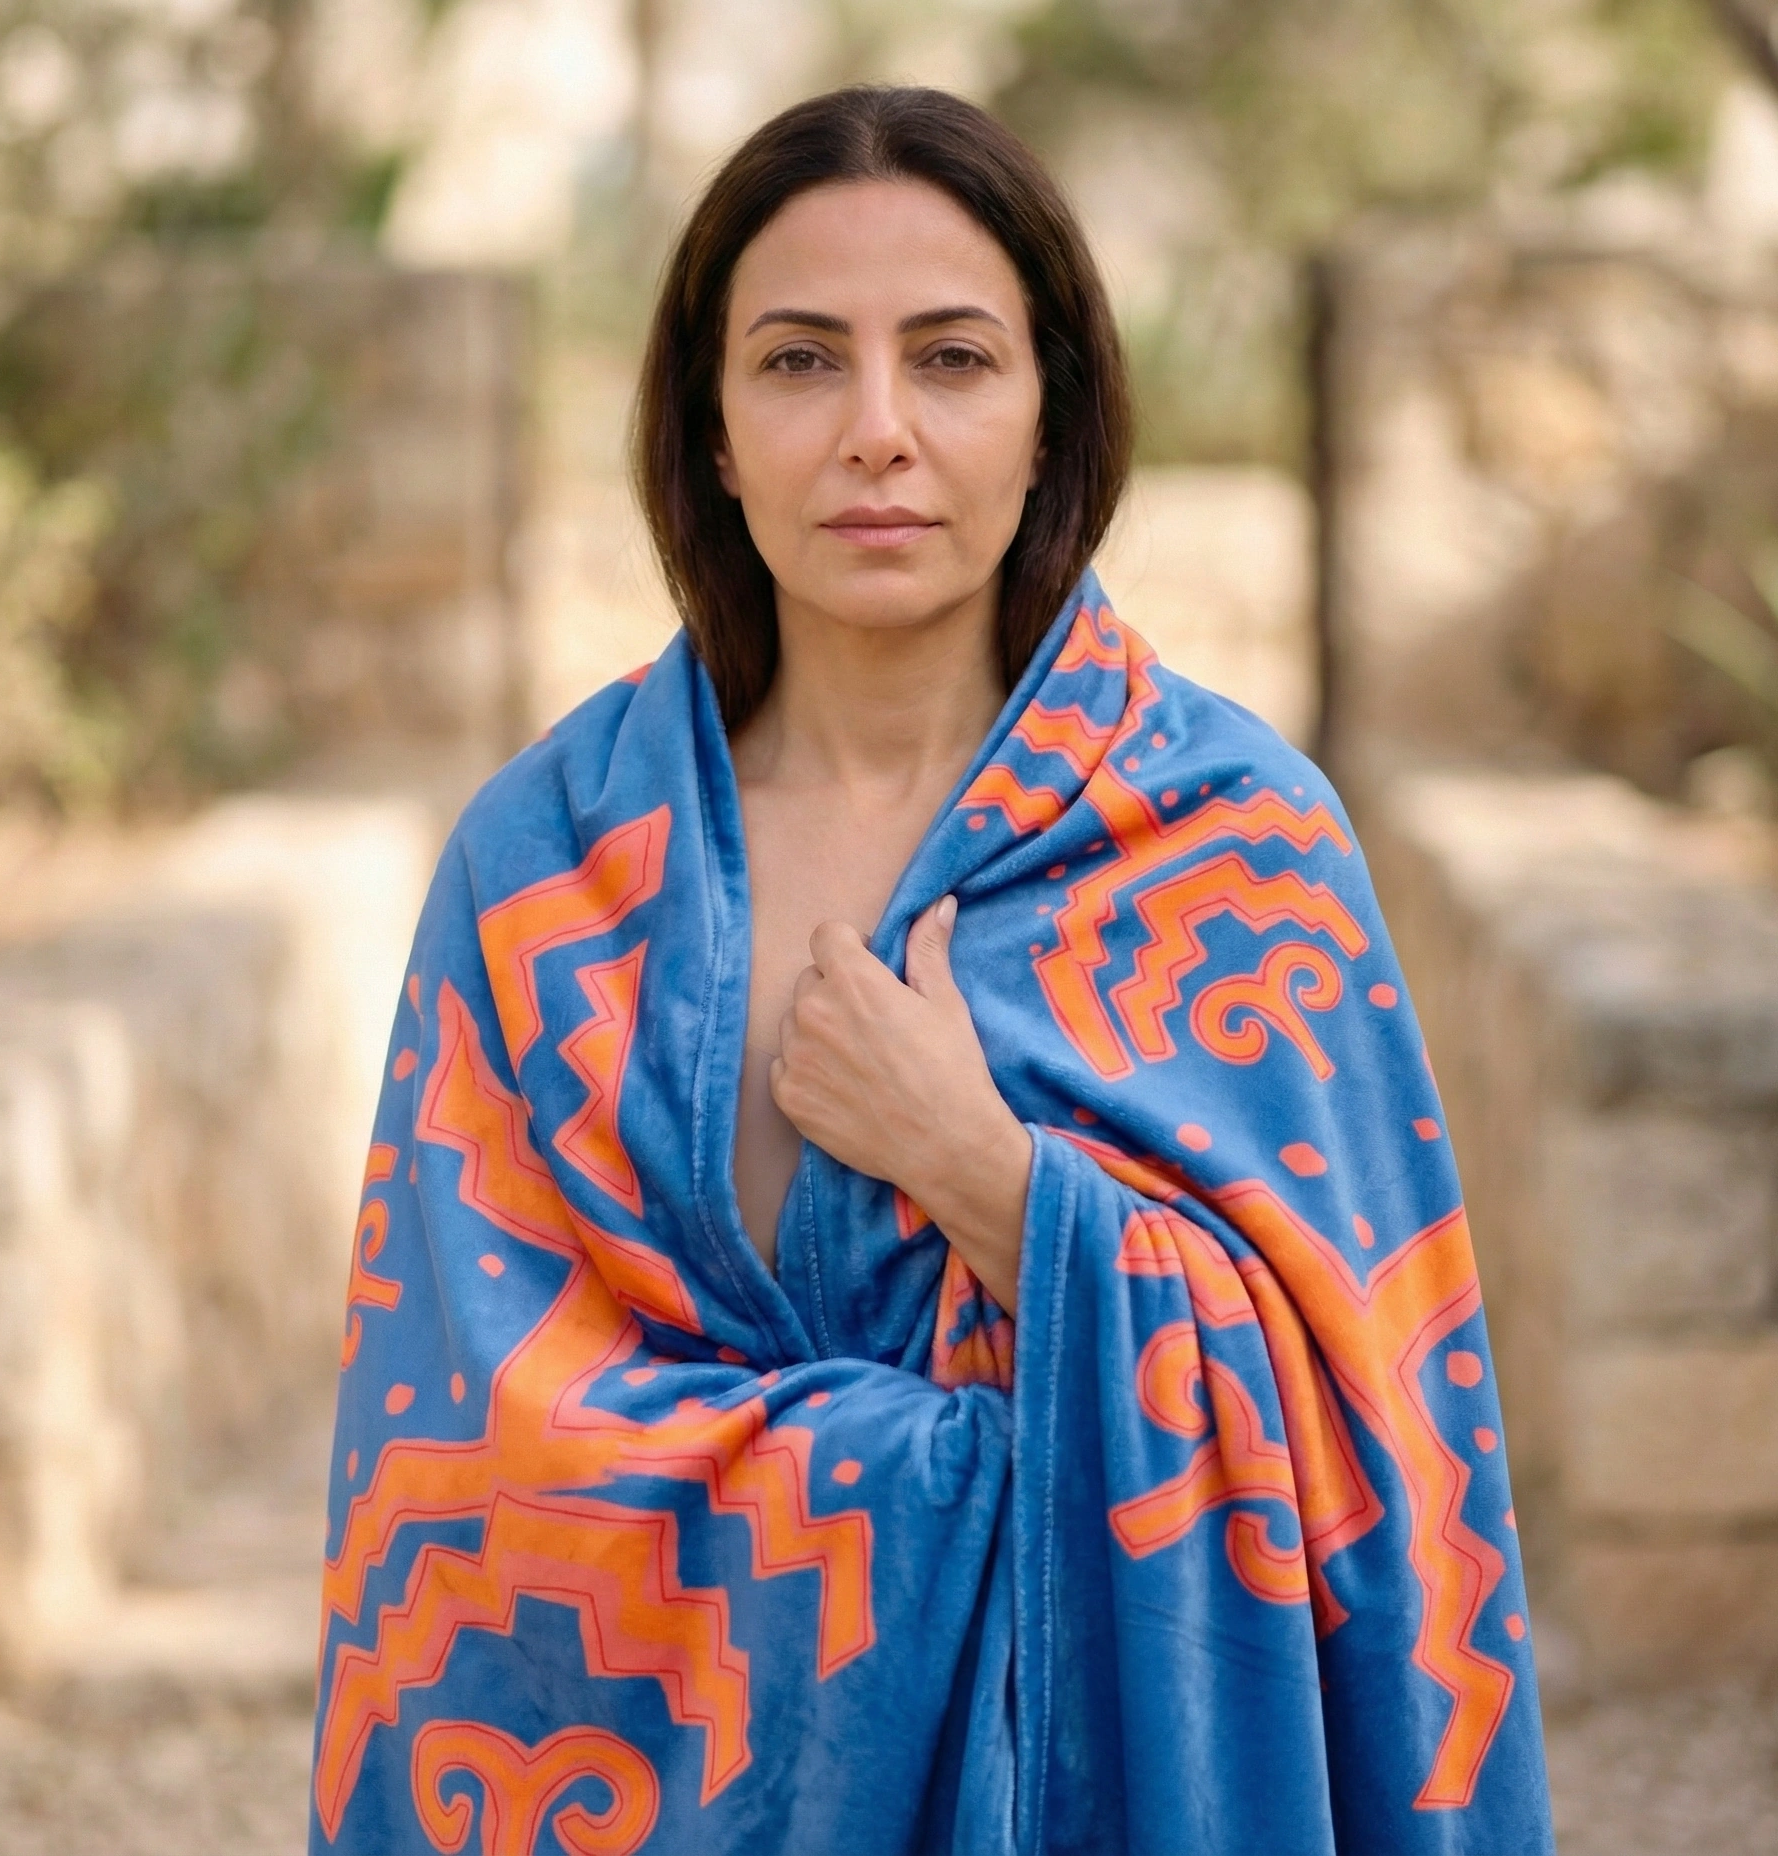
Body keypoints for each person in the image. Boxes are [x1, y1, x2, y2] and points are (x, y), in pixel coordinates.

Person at [309, 86, 1553, 1856]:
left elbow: (1378, 1443)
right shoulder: (547, 872)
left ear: (1052, 421)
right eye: (800, 362)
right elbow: (458, 1459)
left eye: (954, 361)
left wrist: (982, 1172)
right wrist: (940, 1457)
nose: (877, 432)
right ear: (712, 431)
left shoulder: (1236, 847)